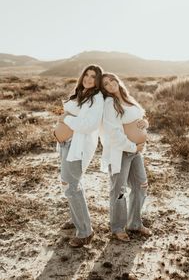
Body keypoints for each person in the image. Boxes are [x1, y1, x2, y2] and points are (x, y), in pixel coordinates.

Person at [100, 72, 151, 242]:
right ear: (103, 89)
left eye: (111, 81)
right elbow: (113, 132)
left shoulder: (128, 98)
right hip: (120, 152)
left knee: (140, 185)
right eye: (105, 84)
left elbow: (139, 118)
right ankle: (117, 227)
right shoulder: (109, 103)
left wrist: (145, 124)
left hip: (135, 152)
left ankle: (135, 223)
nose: (110, 85)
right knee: (119, 190)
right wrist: (133, 146)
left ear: (117, 80)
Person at [58, 64, 104, 247]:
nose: (88, 78)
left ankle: (85, 232)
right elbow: (71, 111)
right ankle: (76, 218)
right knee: (66, 182)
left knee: (72, 186)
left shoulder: (97, 98)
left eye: (93, 76)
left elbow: (89, 125)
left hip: (78, 147)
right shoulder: (81, 93)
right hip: (66, 144)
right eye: (87, 74)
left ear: (97, 80)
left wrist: (66, 119)